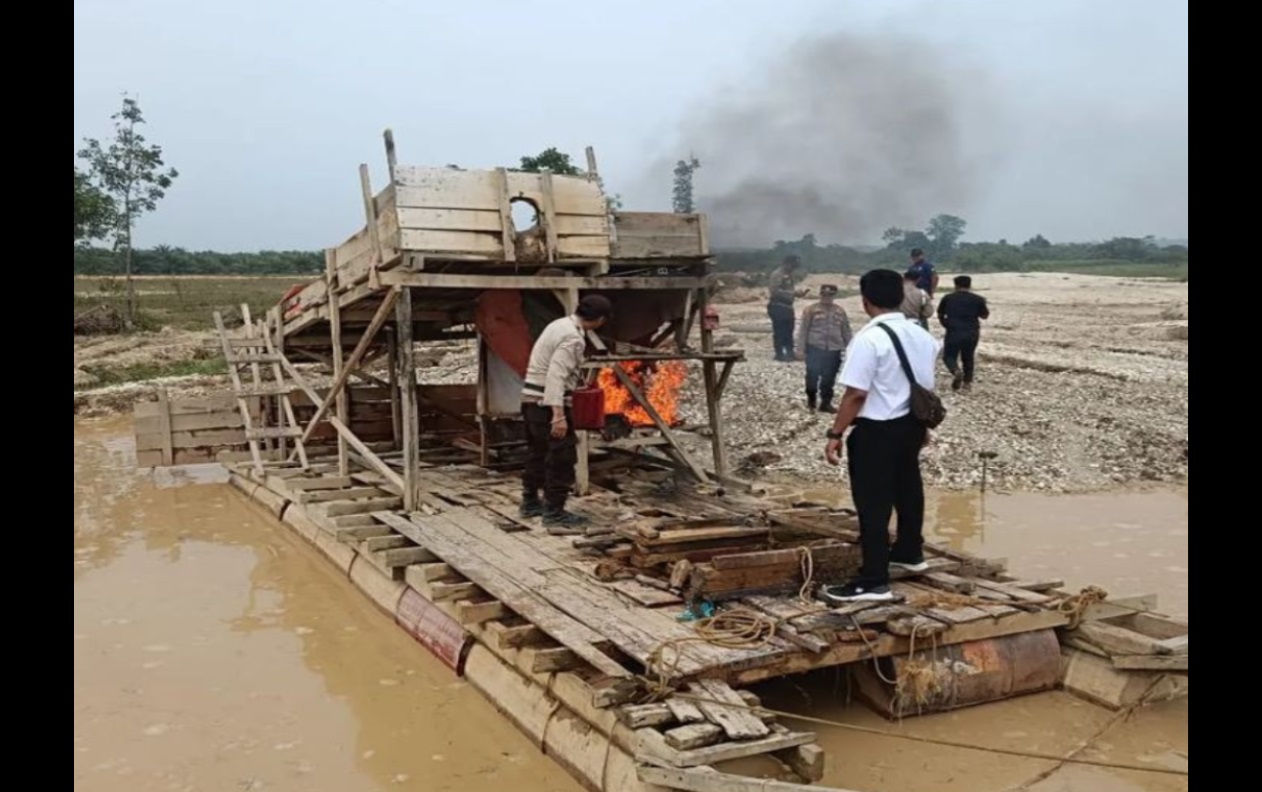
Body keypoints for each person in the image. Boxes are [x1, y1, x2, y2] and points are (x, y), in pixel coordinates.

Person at [821, 269, 940, 603]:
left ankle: (873, 580)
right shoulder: (922, 336)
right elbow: (924, 385)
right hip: (911, 426)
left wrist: (835, 433)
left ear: (865, 301)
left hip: (877, 429)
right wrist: (923, 430)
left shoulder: (869, 339)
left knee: (873, 503)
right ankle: (909, 552)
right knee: (908, 489)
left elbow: (856, 394)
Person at [520, 295, 613, 530]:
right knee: (561, 458)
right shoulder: (573, 338)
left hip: (531, 400)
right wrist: (558, 415)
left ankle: (530, 502)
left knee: (537, 453)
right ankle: (554, 513)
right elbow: (556, 375)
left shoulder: (558, 324)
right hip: (548, 404)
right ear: (600, 320)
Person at [796, 284, 853, 413]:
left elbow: (846, 331)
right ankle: (811, 401)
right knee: (812, 376)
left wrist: (852, 348)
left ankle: (826, 403)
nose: (827, 297)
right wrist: (800, 349)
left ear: (834, 296)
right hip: (815, 348)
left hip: (833, 349)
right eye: (824, 295)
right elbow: (803, 330)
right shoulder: (810, 310)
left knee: (829, 378)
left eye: (830, 295)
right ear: (821, 294)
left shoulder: (840, 311)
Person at [937, 275, 991, 392]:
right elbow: (985, 316)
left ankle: (956, 371)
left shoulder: (948, 298)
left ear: (955, 285)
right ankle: (967, 383)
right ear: (969, 285)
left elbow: (940, 313)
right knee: (968, 356)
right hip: (972, 331)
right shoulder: (978, 299)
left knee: (949, 356)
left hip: (954, 330)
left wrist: (946, 324)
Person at [766, 255, 802, 361]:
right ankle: (779, 353)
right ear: (787, 263)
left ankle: (789, 352)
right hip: (778, 306)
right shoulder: (777, 274)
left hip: (787, 306)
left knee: (789, 330)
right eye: (793, 265)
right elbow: (775, 291)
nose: (794, 268)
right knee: (780, 331)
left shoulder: (788, 275)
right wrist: (792, 293)